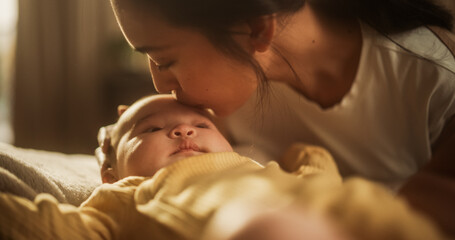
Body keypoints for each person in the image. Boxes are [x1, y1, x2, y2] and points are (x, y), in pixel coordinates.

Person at [108, 0, 455, 236]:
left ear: (256, 29)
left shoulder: (436, 80)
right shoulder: (223, 94)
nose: (160, 85)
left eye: (165, 60)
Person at [0, 94, 447, 239]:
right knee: (268, 227)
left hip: (355, 211)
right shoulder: (125, 196)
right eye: (151, 130)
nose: (183, 132)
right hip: (254, 227)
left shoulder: (261, 166)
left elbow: (318, 172)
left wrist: (306, 158)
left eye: (199, 124)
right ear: (111, 171)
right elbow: (57, 227)